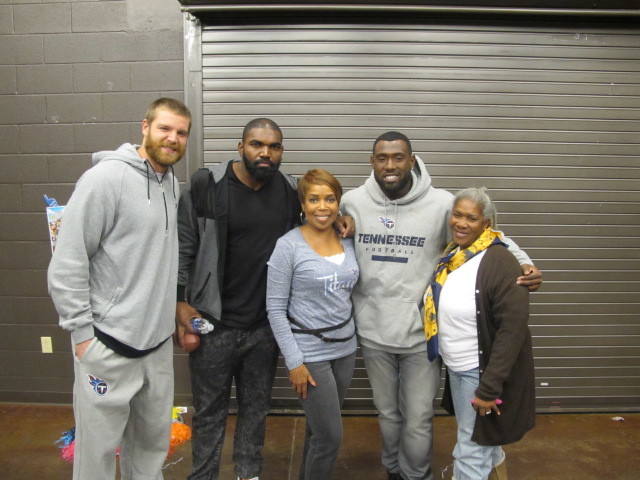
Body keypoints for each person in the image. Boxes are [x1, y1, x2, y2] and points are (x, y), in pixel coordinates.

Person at [340, 131, 542, 480]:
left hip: (422, 335)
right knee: (388, 414)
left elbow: (484, 232)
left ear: (412, 160)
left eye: (398, 157)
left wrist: (524, 262)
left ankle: (415, 475)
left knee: (418, 418)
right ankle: (392, 470)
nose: (390, 165)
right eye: (382, 158)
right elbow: (321, 225)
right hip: (372, 331)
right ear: (372, 162)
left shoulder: (441, 204)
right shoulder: (352, 202)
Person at [175, 120, 352, 480]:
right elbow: (183, 248)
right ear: (240, 148)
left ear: (281, 152)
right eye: (257, 144)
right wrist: (180, 301)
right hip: (214, 324)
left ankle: (248, 473)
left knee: (256, 409)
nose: (266, 153)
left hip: (264, 327)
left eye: (274, 147)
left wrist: (341, 220)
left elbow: (317, 219)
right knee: (210, 412)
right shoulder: (207, 187)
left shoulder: (288, 192)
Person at [47, 98, 191, 480]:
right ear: (144, 127)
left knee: (149, 450)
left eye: (180, 133)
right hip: (108, 345)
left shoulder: (171, 185)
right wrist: (82, 334)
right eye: (164, 128)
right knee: (96, 455)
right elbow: (68, 261)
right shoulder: (105, 179)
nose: (172, 138)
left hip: (156, 347)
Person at [424, 187, 535, 480]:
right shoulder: (455, 253)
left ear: (486, 223)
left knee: (470, 451)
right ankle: (496, 468)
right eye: (457, 215)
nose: (461, 223)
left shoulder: (501, 262)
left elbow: (512, 332)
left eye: (470, 218)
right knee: (479, 438)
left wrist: (488, 389)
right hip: (459, 367)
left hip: (480, 373)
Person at [266, 169, 359, 480]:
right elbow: (275, 309)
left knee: (319, 431)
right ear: (302, 205)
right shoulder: (288, 246)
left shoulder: (348, 239)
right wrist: (294, 361)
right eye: (314, 199)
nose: (323, 207)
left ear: (338, 203)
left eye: (330, 199)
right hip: (309, 354)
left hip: (346, 349)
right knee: (331, 436)